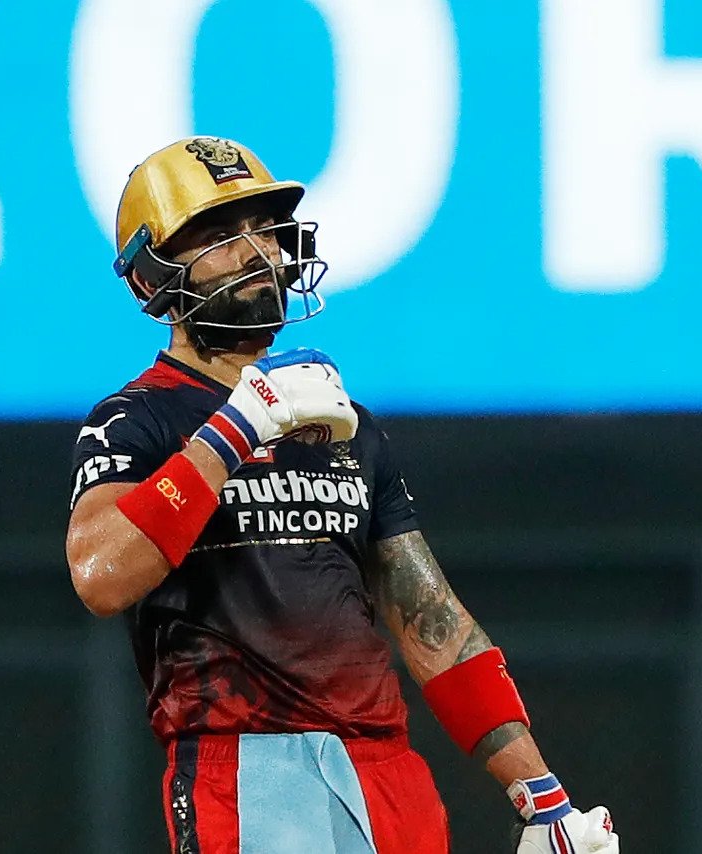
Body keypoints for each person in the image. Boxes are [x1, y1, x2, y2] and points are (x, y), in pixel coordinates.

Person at [64, 136, 620, 854]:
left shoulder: (346, 424)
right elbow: (101, 574)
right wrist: (233, 430)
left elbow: (433, 621)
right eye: (220, 235)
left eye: (263, 228)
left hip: (388, 774)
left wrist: (540, 795)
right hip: (247, 768)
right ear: (152, 276)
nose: (256, 252)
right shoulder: (136, 420)